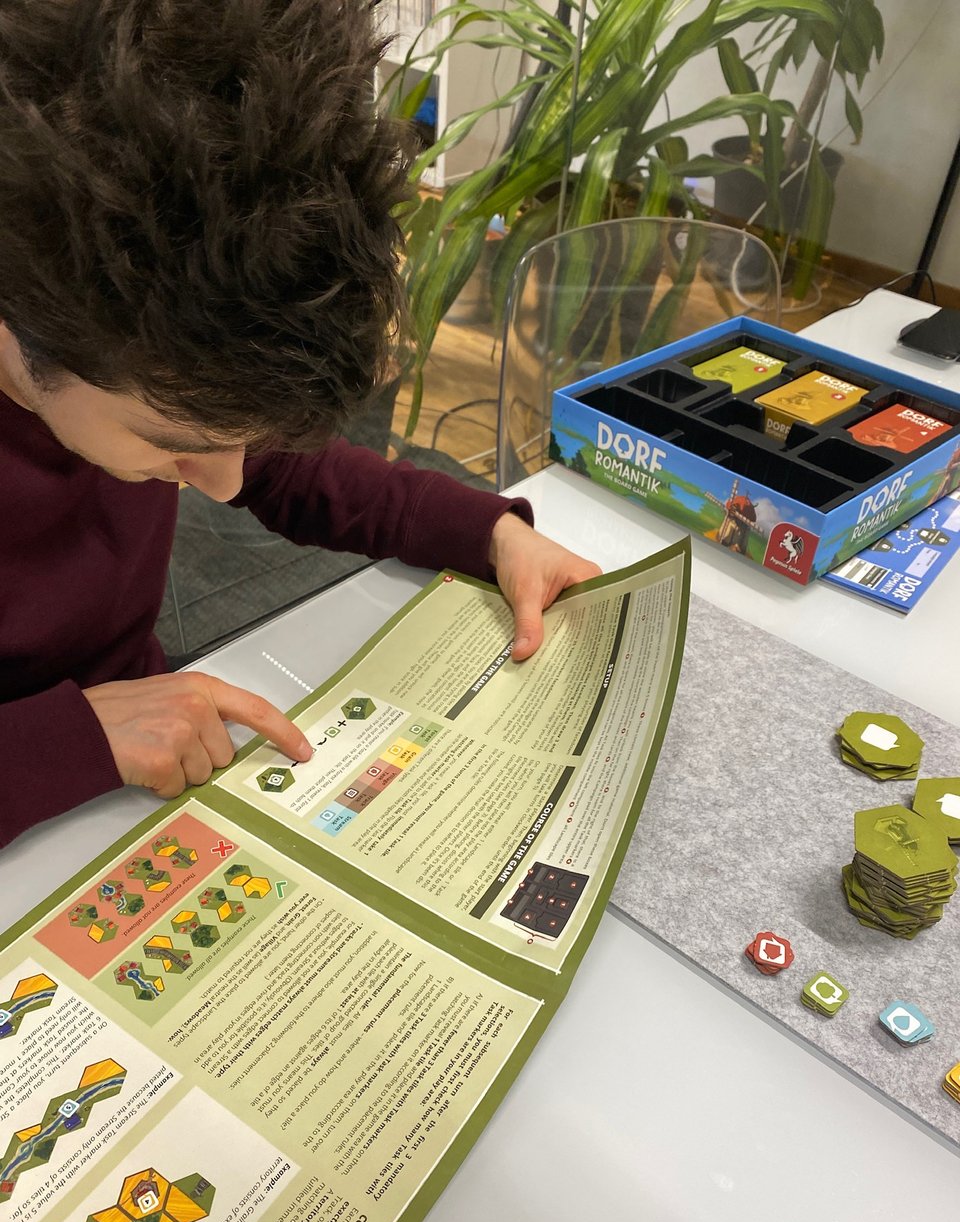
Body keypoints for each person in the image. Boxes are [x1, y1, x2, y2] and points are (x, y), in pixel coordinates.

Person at [0, 0, 598, 850]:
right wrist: (75, 740)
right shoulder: (83, 315)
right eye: (172, 443)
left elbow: (285, 467)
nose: (226, 482)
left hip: (147, 768)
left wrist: (489, 531)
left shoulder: (156, 367)